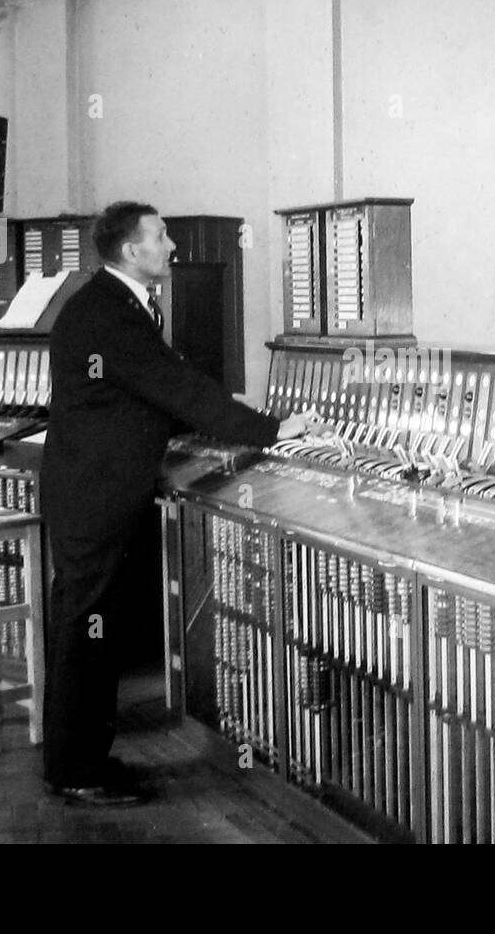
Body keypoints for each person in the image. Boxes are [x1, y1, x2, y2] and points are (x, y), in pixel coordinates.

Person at [39, 200, 314, 806]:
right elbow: (177, 387)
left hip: (91, 489)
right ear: (130, 251)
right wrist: (271, 430)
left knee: (85, 627)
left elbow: (159, 387)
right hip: (96, 496)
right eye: (161, 237)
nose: (172, 247)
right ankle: (78, 770)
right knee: (87, 630)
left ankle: (76, 759)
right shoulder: (111, 313)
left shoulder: (109, 304)